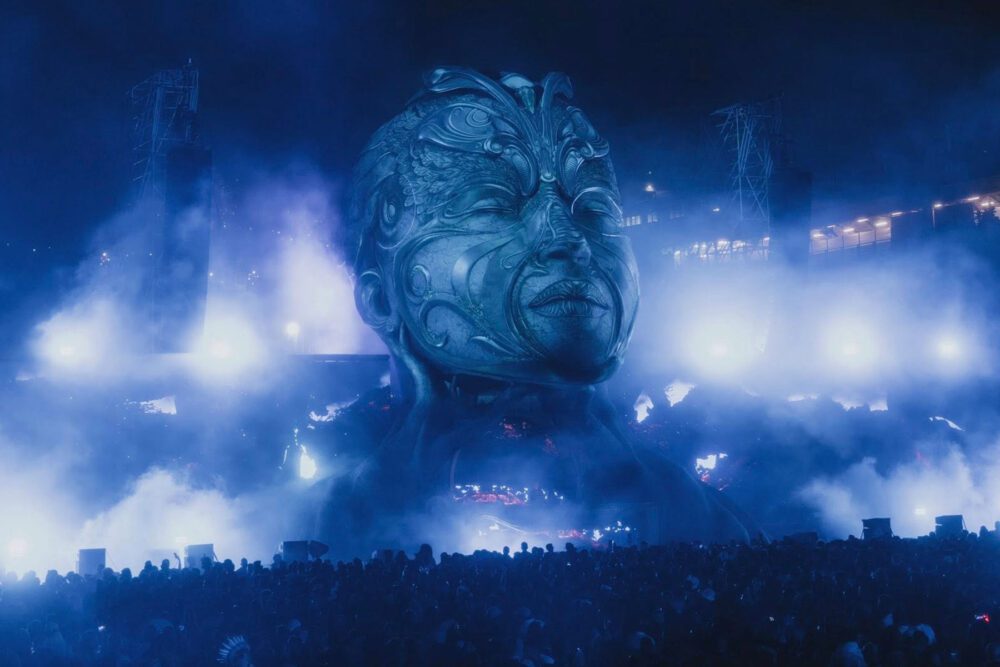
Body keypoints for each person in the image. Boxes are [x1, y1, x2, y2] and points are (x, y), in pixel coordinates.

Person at [319, 67, 756, 557]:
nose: (567, 239)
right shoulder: (324, 522)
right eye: (493, 206)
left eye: (594, 209)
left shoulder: (710, 525)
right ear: (381, 298)